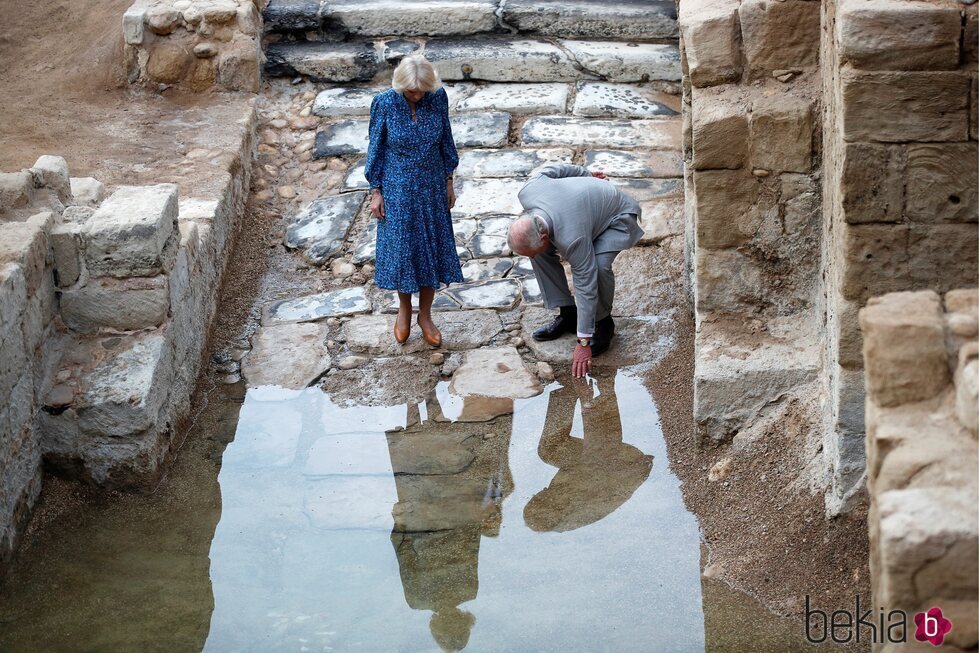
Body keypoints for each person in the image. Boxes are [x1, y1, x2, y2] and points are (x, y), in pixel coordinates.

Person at [507, 163, 643, 378]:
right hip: (580, 215)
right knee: (539, 254)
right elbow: (553, 168)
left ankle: (603, 322)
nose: (529, 258)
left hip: (615, 217)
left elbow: (585, 285)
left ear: (543, 236)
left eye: (529, 252)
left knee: (597, 268)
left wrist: (583, 341)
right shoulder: (528, 191)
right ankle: (568, 313)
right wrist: (585, 174)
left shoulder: (572, 238)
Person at [364, 54, 463, 347]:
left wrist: (449, 181)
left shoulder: (437, 98)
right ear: (400, 86)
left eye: (423, 90)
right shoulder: (384, 103)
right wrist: (376, 190)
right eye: (412, 91)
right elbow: (375, 148)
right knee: (403, 251)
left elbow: (447, 140)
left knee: (431, 249)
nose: (418, 95)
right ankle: (404, 310)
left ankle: (426, 315)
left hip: (432, 186)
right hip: (398, 188)